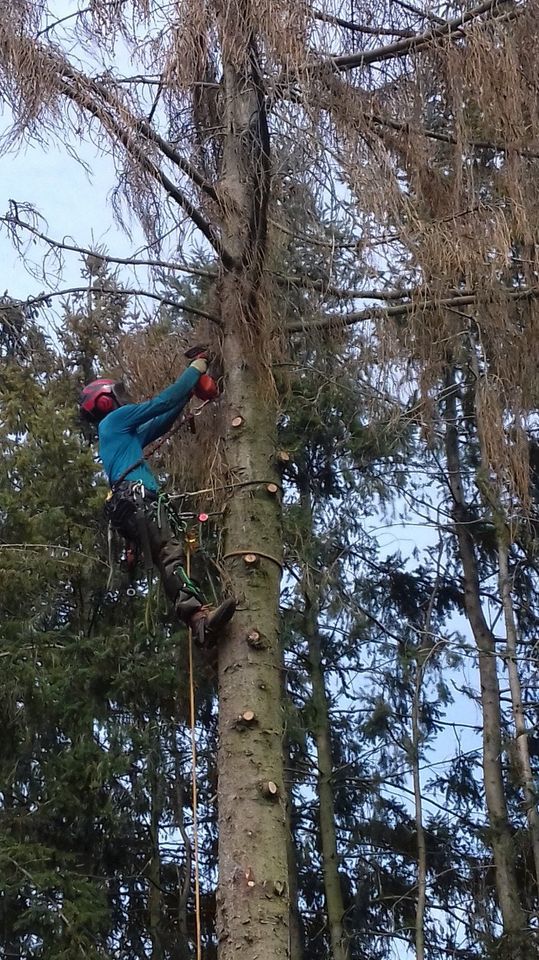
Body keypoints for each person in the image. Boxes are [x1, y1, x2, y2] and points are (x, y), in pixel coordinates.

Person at [79, 346, 236, 645]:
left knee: (169, 554)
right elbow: (163, 401)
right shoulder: (115, 421)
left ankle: (198, 620)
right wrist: (197, 368)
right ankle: (198, 620)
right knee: (170, 553)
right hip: (138, 498)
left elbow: (162, 419)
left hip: (128, 506)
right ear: (105, 399)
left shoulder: (122, 435)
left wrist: (189, 392)